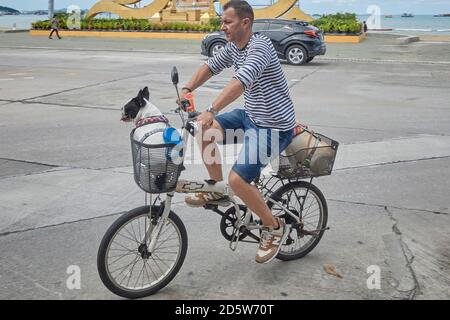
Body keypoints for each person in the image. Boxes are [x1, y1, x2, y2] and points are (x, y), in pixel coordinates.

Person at [180, 0, 296, 264]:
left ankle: (274, 226)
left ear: (245, 23)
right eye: (222, 22)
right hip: (251, 116)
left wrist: (211, 108)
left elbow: (240, 81)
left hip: (274, 126)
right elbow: (210, 66)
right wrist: (187, 89)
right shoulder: (234, 48)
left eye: (227, 22)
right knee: (203, 130)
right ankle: (216, 189)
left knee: (239, 181)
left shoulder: (260, 47)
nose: (223, 27)